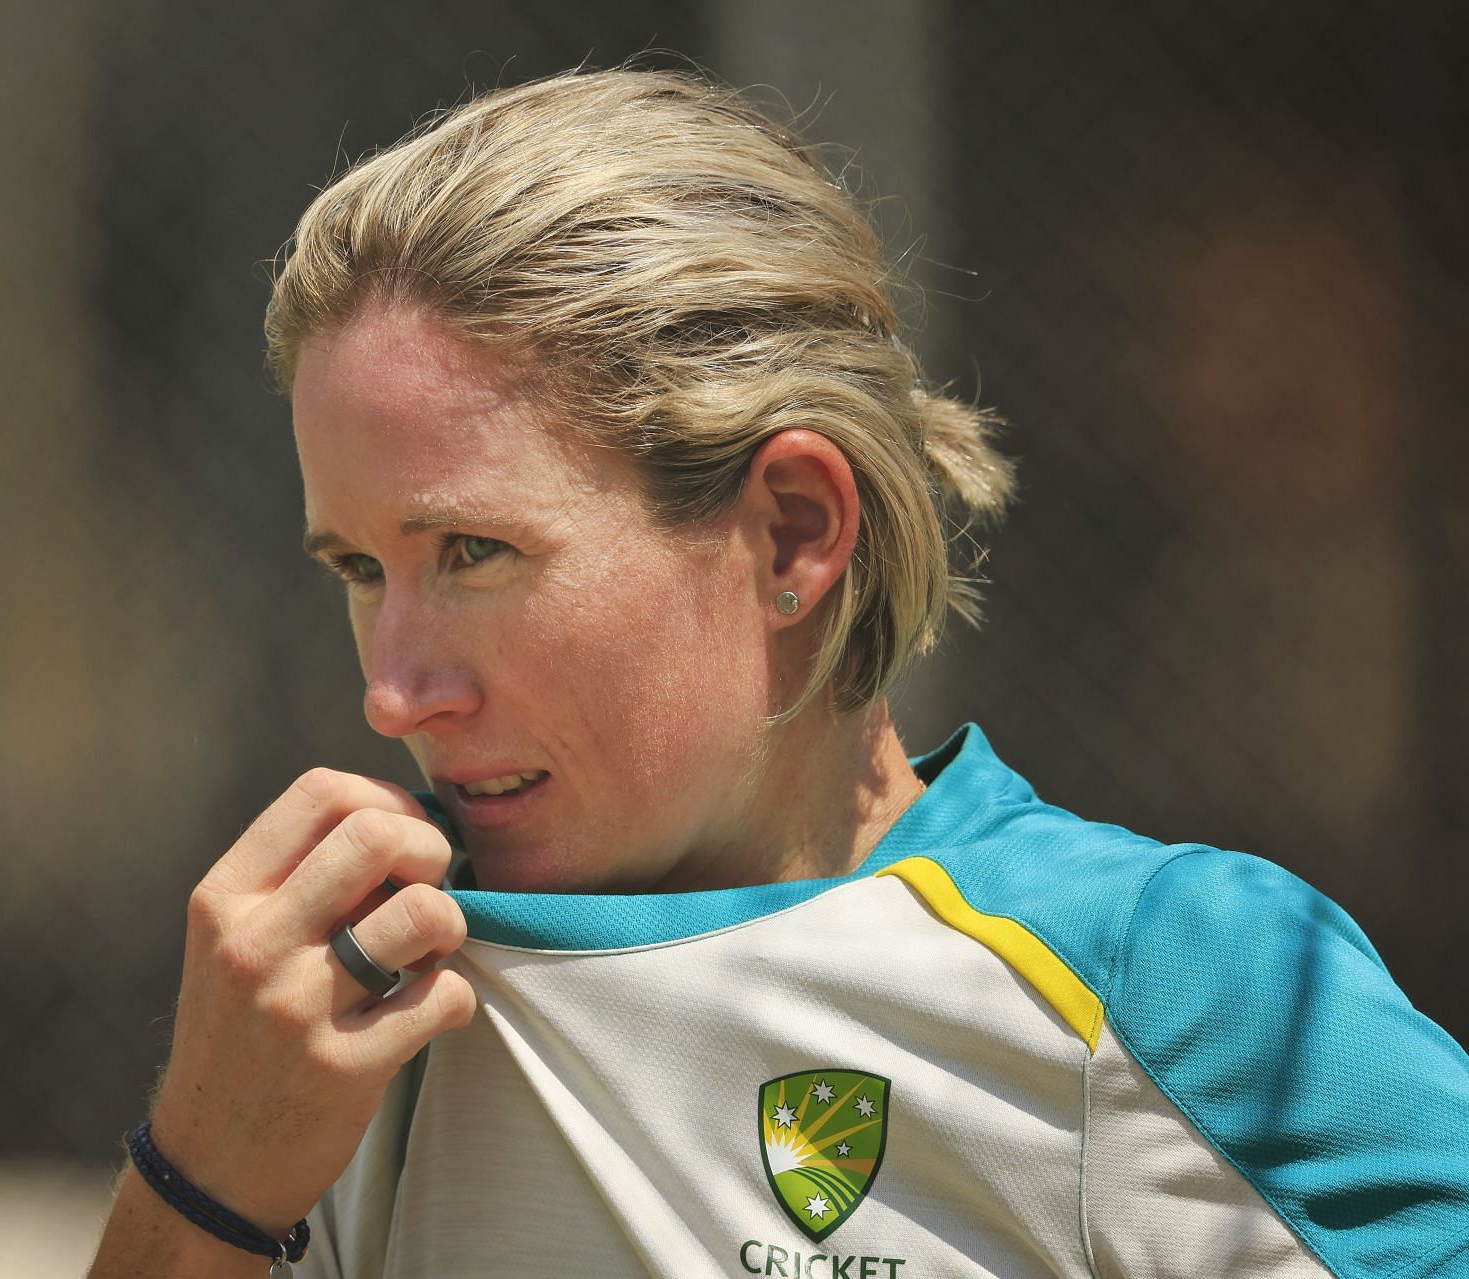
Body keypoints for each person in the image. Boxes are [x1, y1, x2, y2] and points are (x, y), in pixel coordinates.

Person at [88, 67, 1469, 1278]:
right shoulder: (332, 1012)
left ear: (793, 532)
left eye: (475, 552)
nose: (395, 691)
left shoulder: (1161, 985)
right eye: (358, 571)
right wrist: (198, 1178)